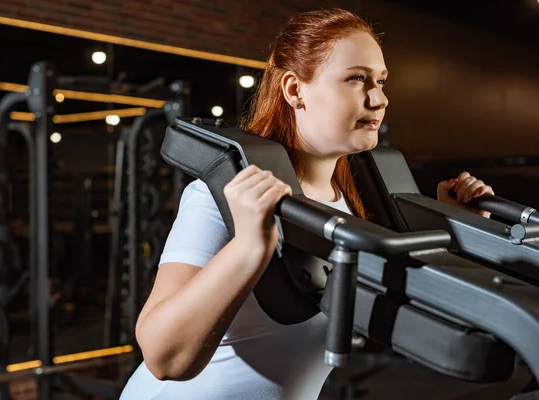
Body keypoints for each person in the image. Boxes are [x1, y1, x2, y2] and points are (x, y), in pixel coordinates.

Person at [120, 7, 494, 400]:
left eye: (382, 81)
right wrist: (250, 245)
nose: (380, 98)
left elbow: (418, 319)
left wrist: (455, 231)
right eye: (356, 79)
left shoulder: (358, 205)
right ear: (295, 90)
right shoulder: (228, 197)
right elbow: (163, 359)